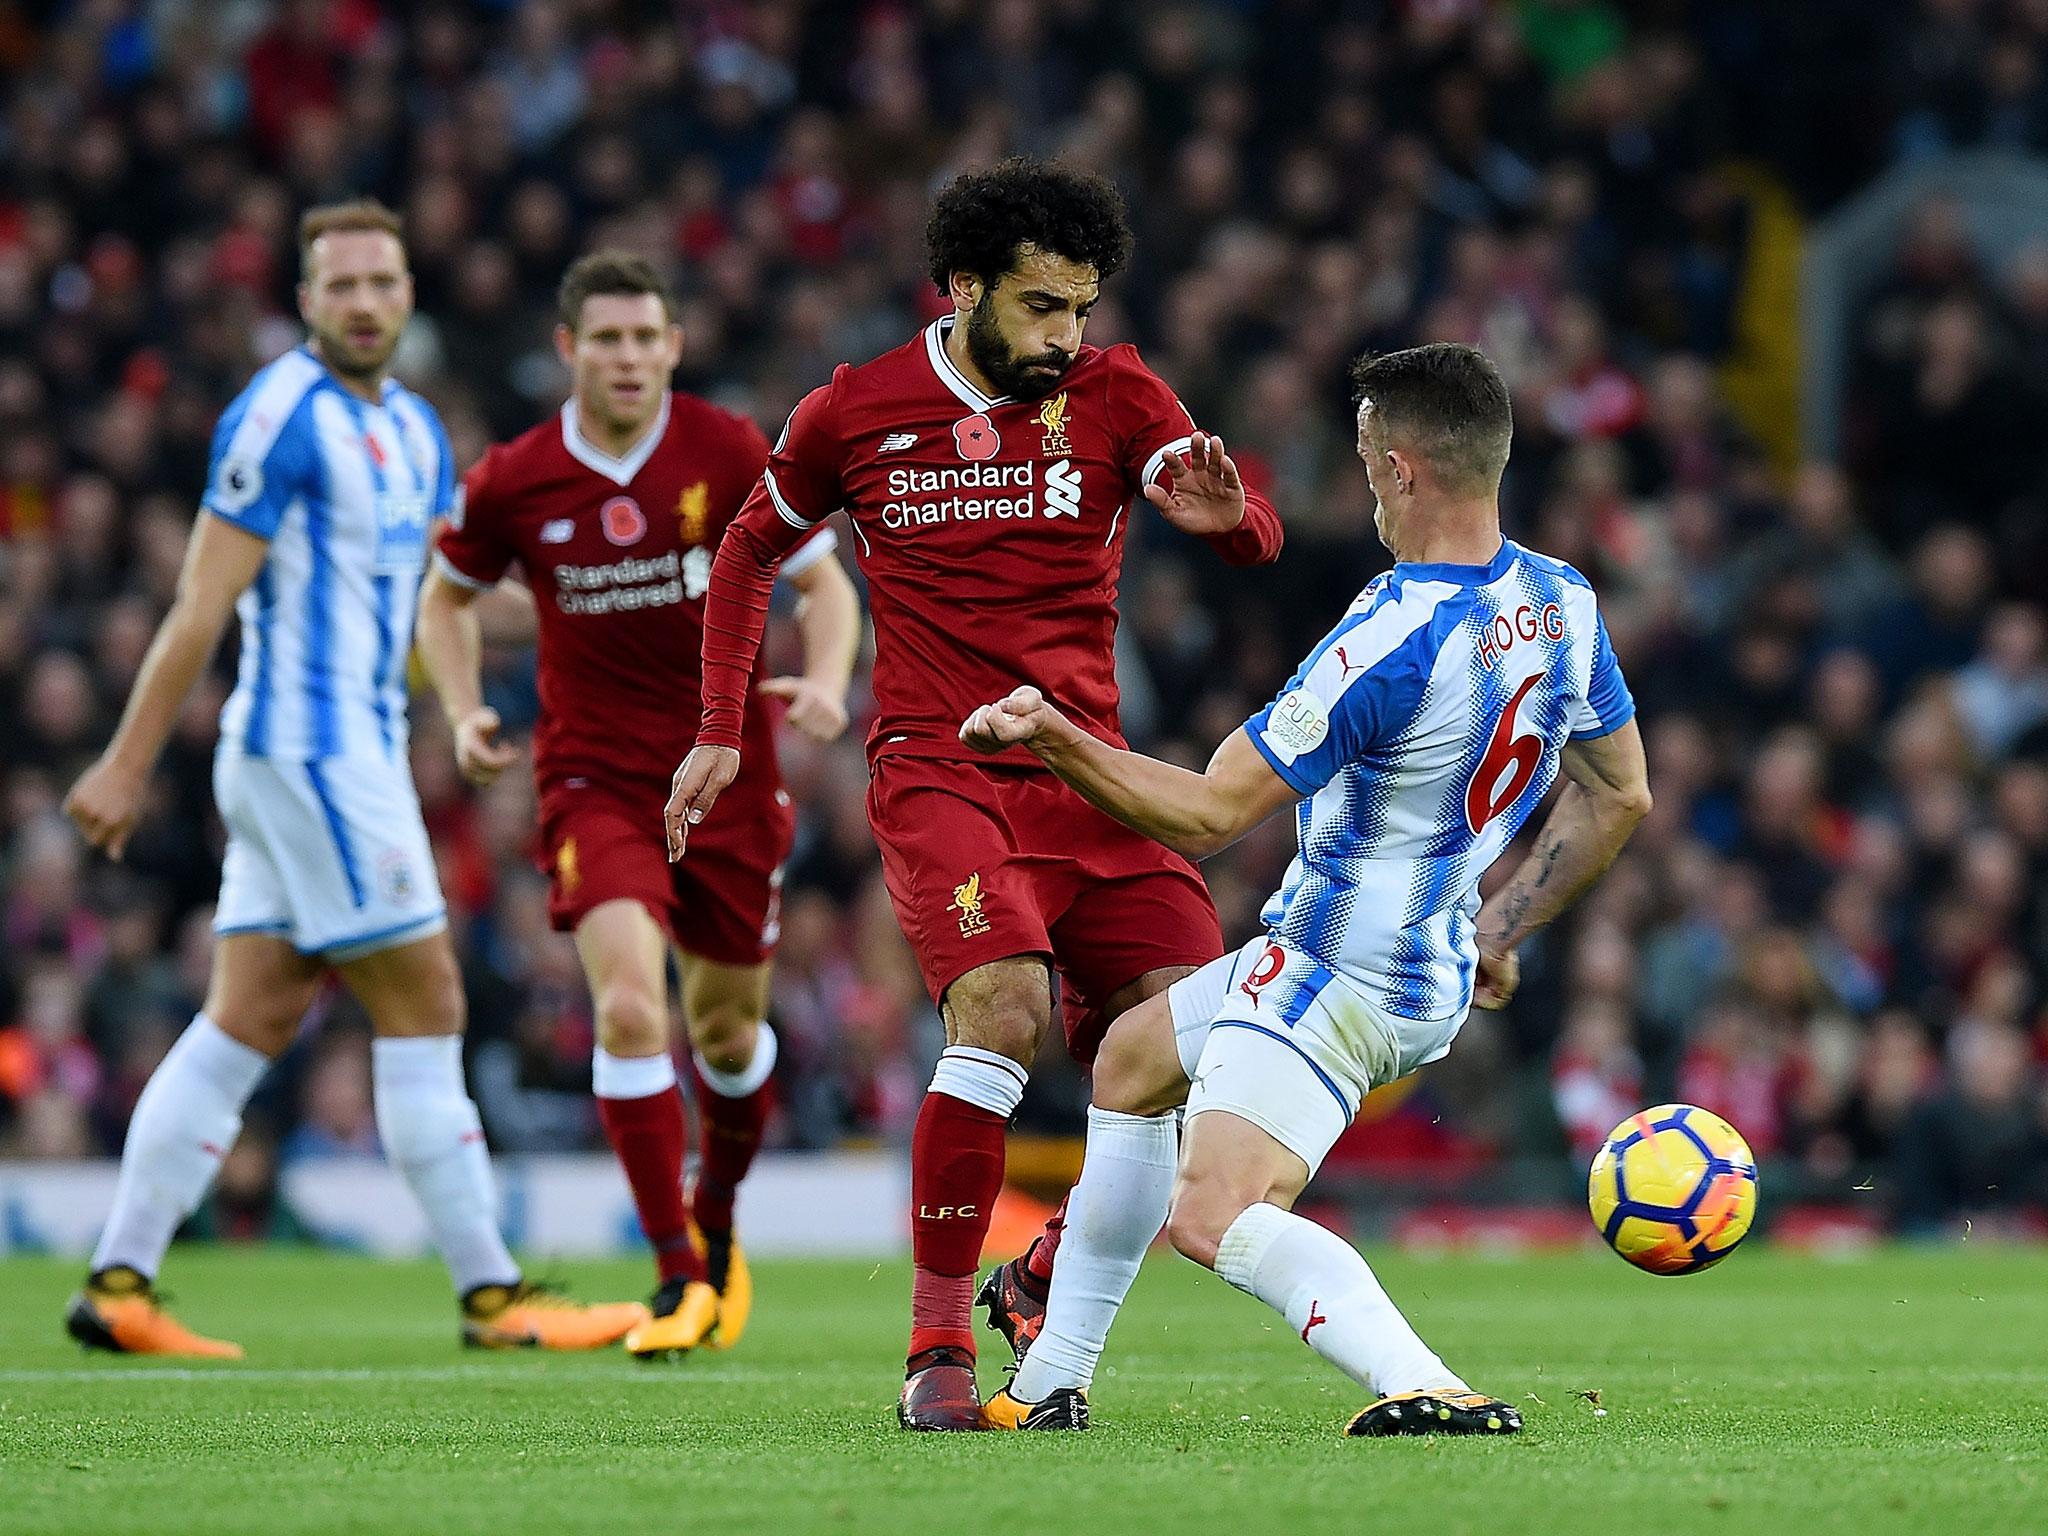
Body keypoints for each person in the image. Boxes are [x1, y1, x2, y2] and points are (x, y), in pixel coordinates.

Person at [663, 157, 1284, 1428]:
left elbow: (1241, 526)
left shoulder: (1118, 395)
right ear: (964, 289)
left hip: (1089, 772)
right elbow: (746, 549)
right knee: (998, 1010)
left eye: (1081, 308)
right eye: (1042, 307)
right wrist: (720, 729)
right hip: (944, 773)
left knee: (1192, 1047)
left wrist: (1231, 523)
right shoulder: (854, 411)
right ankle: (934, 1354)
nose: (1069, 335)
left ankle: (1043, 1271)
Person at [959, 343, 1652, 1434]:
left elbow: (1203, 813)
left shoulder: (1386, 635)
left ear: (1403, 469)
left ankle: (1423, 1384)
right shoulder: (1561, 602)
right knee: (1134, 1058)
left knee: (1215, 1211)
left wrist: (1049, 732)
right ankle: (1050, 1383)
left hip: (1336, 971)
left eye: (1369, 456)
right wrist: (1499, 926)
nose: (1363, 475)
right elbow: (1618, 793)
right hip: (1426, 966)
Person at [60, 200, 646, 1358]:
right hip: (311, 751)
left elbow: (449, 603)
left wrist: (616, 607)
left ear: (408, 293)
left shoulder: (418, 431)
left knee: (250, 1014)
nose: (366, 303)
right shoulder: (276, 416)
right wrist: (125, 763)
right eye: (342, 285)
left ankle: (117, 1283)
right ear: (306, 298)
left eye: (383, 282)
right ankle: (492, 1296)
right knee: (427, 995)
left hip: (345, 753)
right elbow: (196, 606)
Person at [417, 251, 859, 1357]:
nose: (624, 357)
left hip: (729, 773)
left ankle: (715, 1225)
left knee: (724, 1034)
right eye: (603, 339)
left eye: (642, 338)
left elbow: (823, 582)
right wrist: (466, 706)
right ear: (568, 350)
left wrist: (829, 682)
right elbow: (446, 596)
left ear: (672, 346)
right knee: (624, 1006)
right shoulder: (516, 477)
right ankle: (672, 1276)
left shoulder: (722, 449)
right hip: (593, 780)